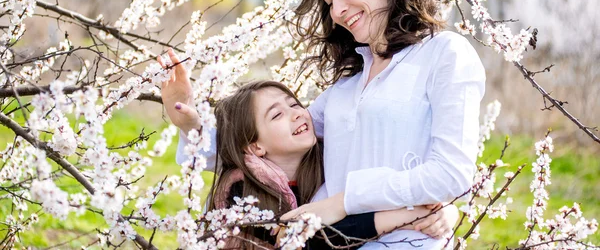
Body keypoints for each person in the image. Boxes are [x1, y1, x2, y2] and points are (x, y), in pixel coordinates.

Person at [165, 0, 486, 249]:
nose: (338, 10)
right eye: (329, 2)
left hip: (408, 241)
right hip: (330, 241)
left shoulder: (444, 53)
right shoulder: (343, 90)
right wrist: (190, 123)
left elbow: (451, 175)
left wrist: (345, 202)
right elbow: (259, 143)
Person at [158, 72, 459, 248]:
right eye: (276, 114)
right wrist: (403, 217)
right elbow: (307, 241)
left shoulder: (333, 158)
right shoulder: (240, 191)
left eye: (294, 104)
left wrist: (441, 210)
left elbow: (387, 181)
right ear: (255, 146)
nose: (296, 114)